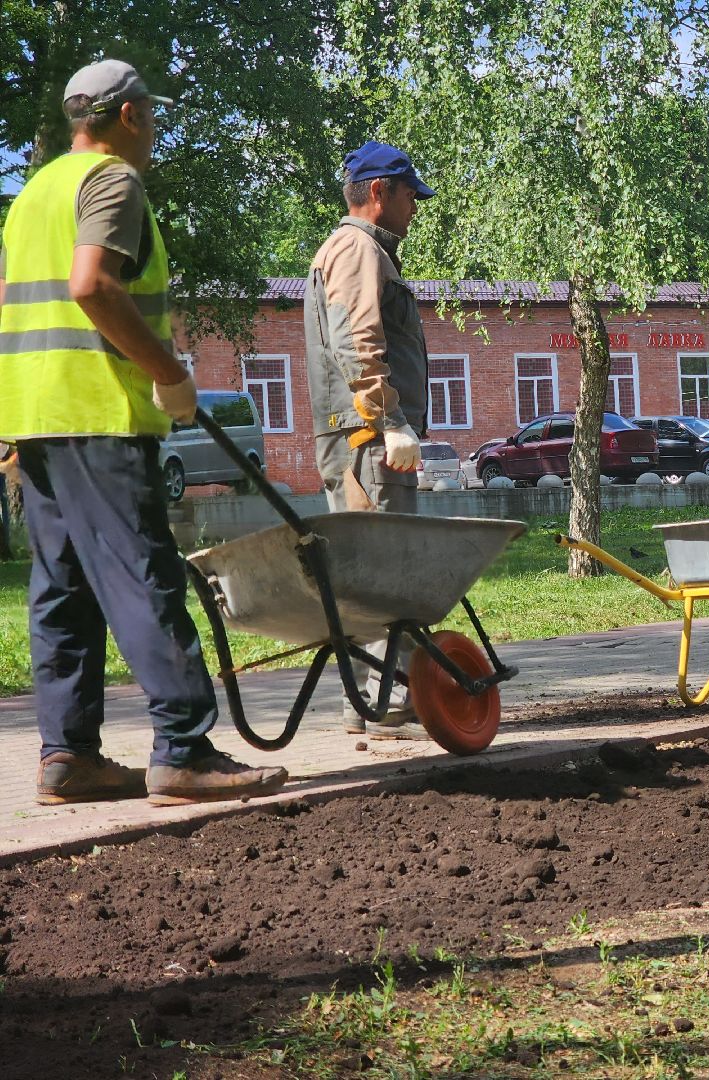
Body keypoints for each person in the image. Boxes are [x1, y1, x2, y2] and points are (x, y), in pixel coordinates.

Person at [0, 59, 288, 805]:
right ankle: (184, 751)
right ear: (128, 116)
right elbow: (92, 284)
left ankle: (68, 757)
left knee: (61, 588)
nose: (154, 131)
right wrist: (168, 373)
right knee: (142, 575)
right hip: (100, 411)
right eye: (152, 116)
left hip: (35, 418)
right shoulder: (112, 182)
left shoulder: (32, 194)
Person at [304, 140, 434, 738]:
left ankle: (369, 699)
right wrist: (391, 421)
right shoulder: (357, 248)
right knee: (386, 570)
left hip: (356, 440)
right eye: (410, 195)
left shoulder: (358, 249)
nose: (416, 207)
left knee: (360, 575)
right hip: (367, 443)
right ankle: (392, 698)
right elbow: (357, 344)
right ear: (379, 192)